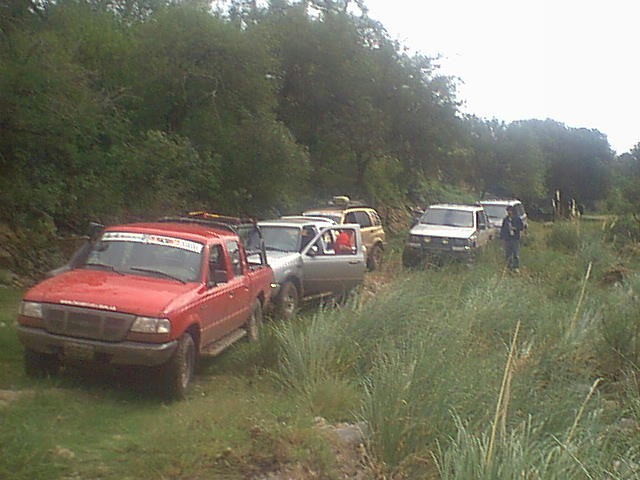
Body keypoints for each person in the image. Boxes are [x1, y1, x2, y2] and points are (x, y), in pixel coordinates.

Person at [500, 205, 525, 272]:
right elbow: (503, 229)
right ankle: (509, 267)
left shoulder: (517, 219)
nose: (509, 212)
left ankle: (516, 267)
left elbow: (521, 227)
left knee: (515, 253)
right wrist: (502, 238)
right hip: (508, 239)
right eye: (508, 211)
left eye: (510, 211)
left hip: (515, 238)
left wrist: (515, 228)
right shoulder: (506, 220)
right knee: (508, 254)